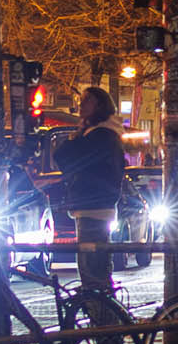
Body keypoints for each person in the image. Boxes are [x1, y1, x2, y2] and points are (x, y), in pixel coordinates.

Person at [52, 85, 127, 307]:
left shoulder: (100, 136)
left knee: (92, 272)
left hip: (93, 207)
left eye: (87, 101)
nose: (81, 105)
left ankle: (103, 321)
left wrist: (75, 137)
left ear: (99, 106)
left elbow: (64, 157)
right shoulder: (101, 134)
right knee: (95, 269)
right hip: (94, 206)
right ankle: (105, 318)